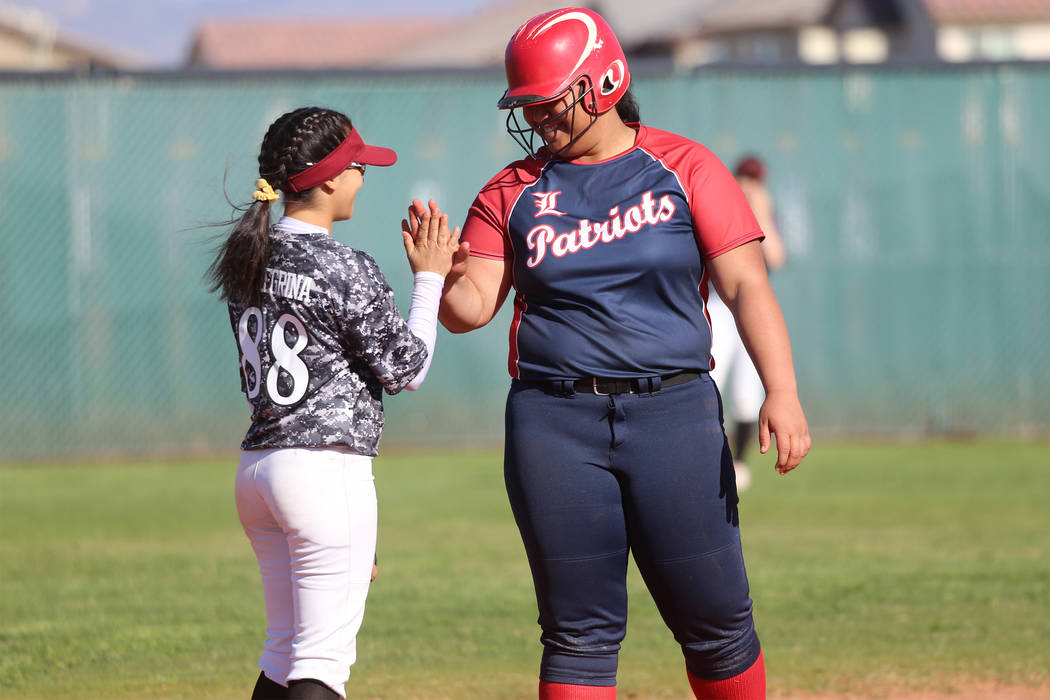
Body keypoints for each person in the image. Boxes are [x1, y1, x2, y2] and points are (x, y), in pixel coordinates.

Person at [424, 8, 810, 700]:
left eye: (548, 99)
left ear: (602, 80)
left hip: (674, 414)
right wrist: (442, 278)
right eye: (527, 104)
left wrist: (780, 390)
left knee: (717, 620)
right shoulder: (511, 193)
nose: (536, 115)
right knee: (577, 633)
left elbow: (746, 282)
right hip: (554, 424)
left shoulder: (684, 166)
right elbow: (471, 308)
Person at [207, 106, 461, 700]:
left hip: (259, 470)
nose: (363, 179)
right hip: (321, 468)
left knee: (283, 652)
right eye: (358, 168)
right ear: (327, 180)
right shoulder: (344, 264)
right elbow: (409, 368)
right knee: (320, 665)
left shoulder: (250, 255)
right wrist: (430, 277)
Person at [708, 155, 787, 492]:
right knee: (708, 379)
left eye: (754, 180)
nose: (748, 185)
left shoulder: (765, 213)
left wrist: (762, 211)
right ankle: (705, 453)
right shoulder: (720, 205)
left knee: (746, 392)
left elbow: (777, 259)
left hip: (753, 309)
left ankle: (738, 463)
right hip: (719, 306)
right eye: (744, 178)